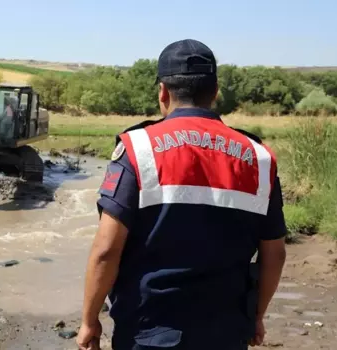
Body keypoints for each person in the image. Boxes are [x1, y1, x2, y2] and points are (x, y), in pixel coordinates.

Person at [77, 39, 287, 350]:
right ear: (215, 93)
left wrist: (89, 320)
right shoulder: (259, 158)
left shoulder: (139, 150)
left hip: (149, 332)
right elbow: (275, 254)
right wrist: (256, 316)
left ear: (162, 92)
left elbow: (107, 250)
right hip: (226, 332)